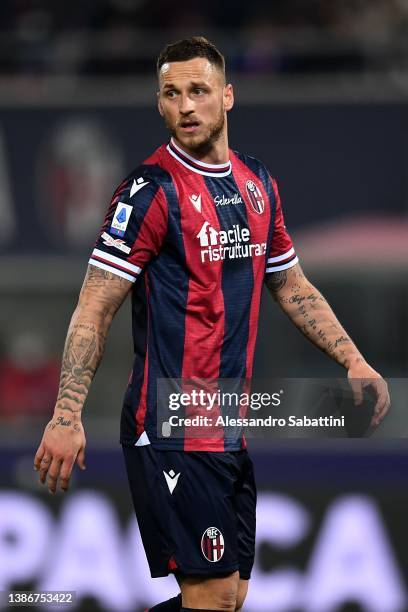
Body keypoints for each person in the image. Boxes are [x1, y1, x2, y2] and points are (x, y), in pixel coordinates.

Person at [33, 36, 390, 612]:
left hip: (227, 417)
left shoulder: (258, 184)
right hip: (170, 415)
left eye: (198, 91)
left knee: (233, 593)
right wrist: (66, 413)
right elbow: (94, 306)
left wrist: (352, 359)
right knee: (215, 593)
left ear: (228, 96)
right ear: (159, 104)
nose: (186, 106)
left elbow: (291, 285)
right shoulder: (148, 192)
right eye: (171, 94)